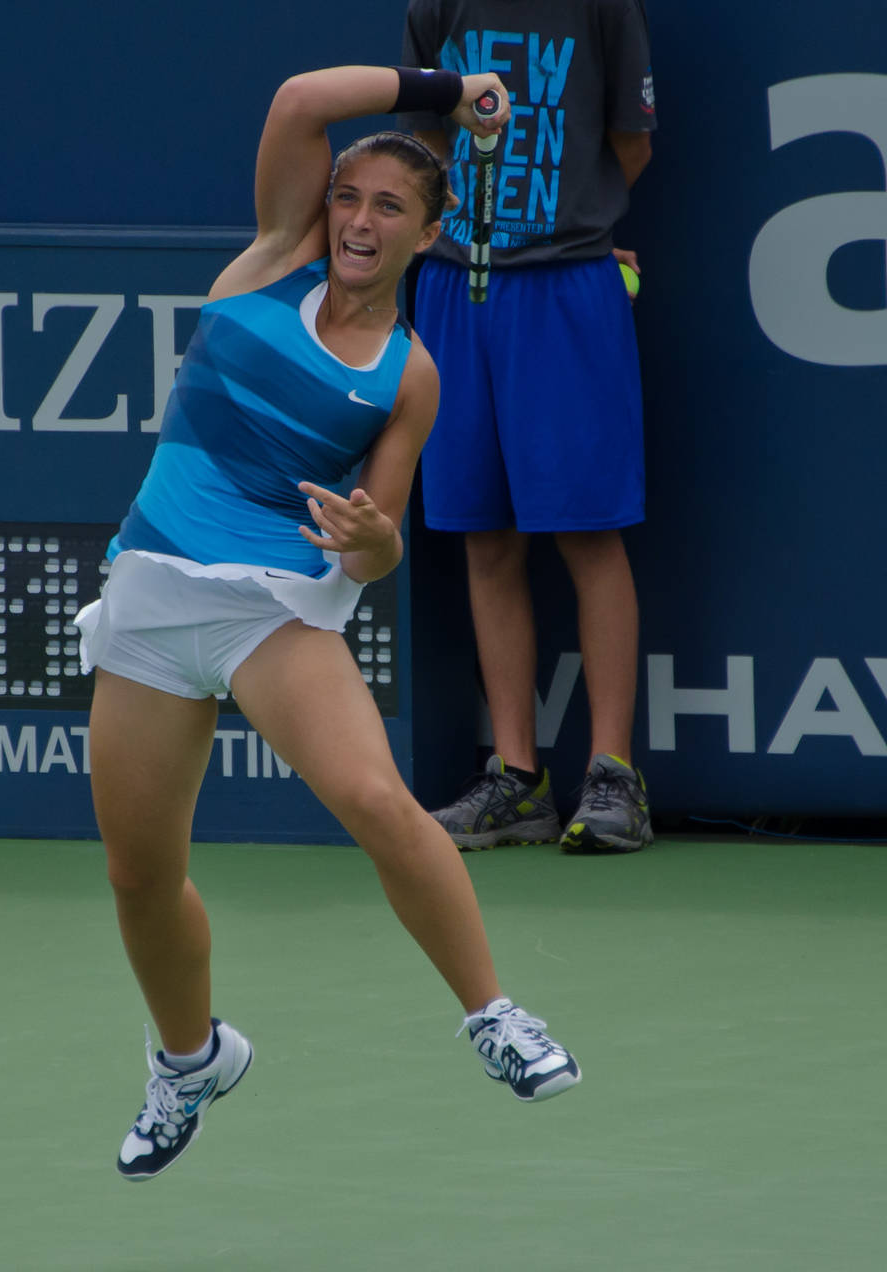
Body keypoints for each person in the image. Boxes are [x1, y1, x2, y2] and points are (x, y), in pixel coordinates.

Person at [74, 64, 581, 1184]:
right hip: (154, 594)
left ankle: (494, 1013)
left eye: (388, 208)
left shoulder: (411, 378)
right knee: (137, 874)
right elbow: (304, 99)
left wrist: (368, 540)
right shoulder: (268, 264)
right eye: (348, 196)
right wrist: (447, 90)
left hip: (270, 610)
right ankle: (188, 1059)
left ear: (429, 235)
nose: (357, 218)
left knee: (374, 799)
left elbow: (385, 542)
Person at [399, 0, 658, 854]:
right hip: (452, 289)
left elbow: (630, 146)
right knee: (485, 538)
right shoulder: (435, 3)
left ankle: (613, 775)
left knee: (587, 535)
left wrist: (569, 232)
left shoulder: (603, 5)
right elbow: (423, 143)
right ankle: (518, 780)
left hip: (567, 289)